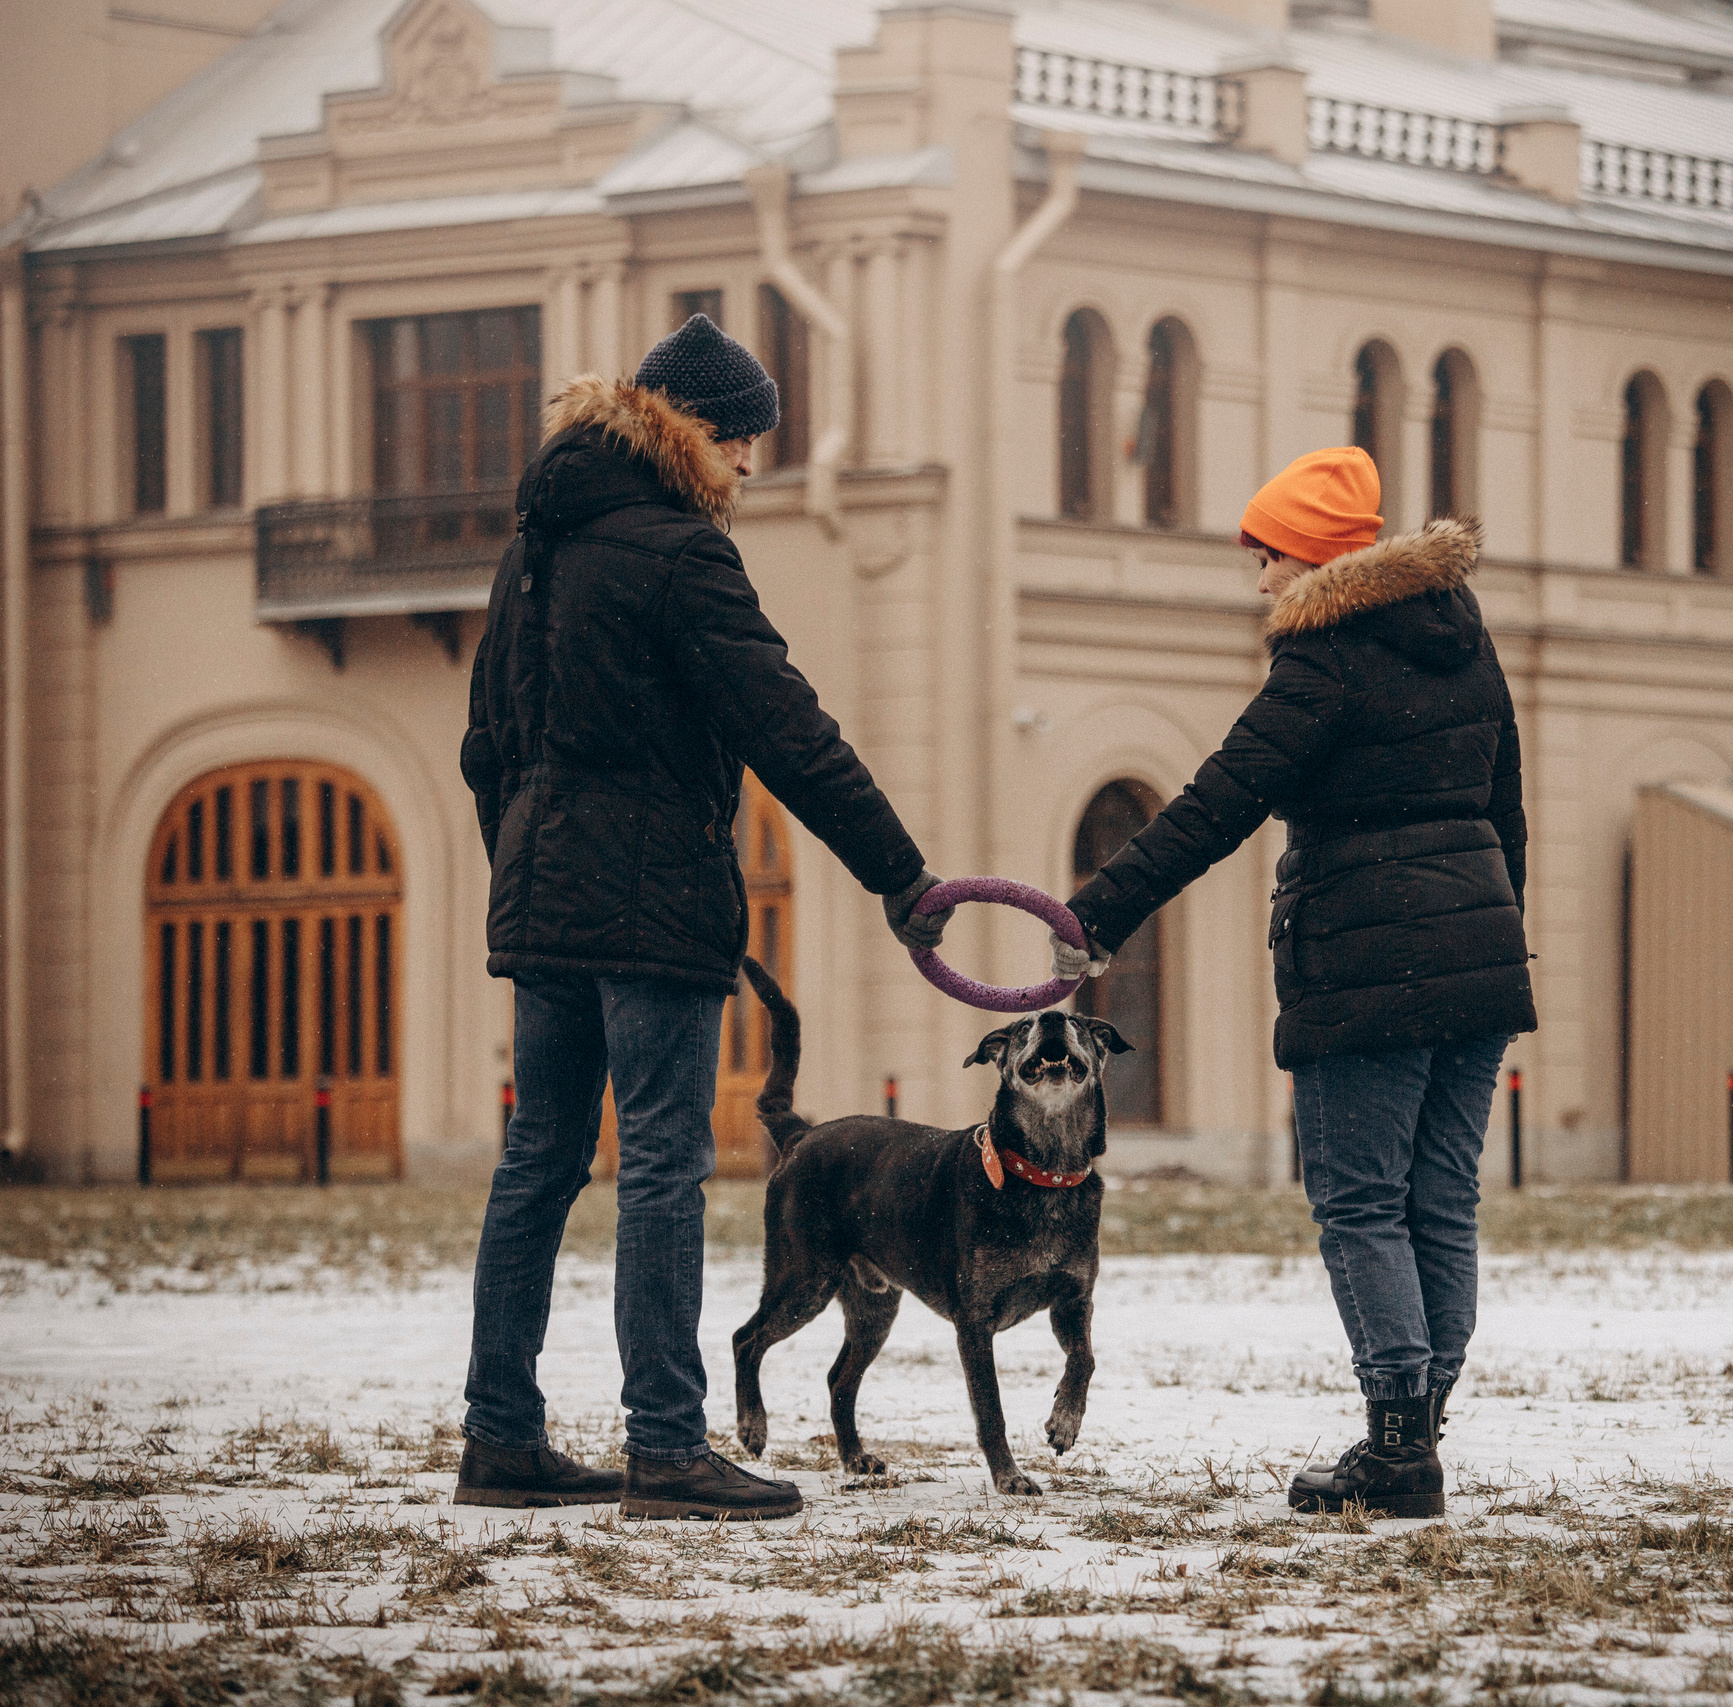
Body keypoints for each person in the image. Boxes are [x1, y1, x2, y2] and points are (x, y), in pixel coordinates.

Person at [455, 315, 948, 1520]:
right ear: (695, 432)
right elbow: (787, 725)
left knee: (539, 1162)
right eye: (743, 442)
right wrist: (902, 873)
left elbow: (484, 745)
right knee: (664, 1165)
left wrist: (528, 864)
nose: (753, 467)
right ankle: (668, 1447)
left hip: (548, 896)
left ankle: (500, 1439)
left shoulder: (536, 548)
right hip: (655, 900)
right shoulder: (681, 554)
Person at [1058, 446, 1535, 1519]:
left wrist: (1097, 912)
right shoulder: (1463, 638)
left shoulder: (1323, 660)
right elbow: (1506, 807)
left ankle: (1399, 1448)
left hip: (1366, 963)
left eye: (1266, 556)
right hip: (1479, 960)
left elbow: (1213, 805)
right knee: (1439, 1203)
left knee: (1361, 1202)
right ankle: (1416, 1429)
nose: (1259, 581)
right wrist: (1498, 936)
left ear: (1314, 560)